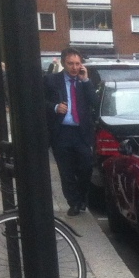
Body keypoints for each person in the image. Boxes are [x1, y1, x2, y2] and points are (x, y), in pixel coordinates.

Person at [44, 47, 96, 216]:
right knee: (66, 172)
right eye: (70, 63)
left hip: (81, 133)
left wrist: (86, 80)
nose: (74, 67)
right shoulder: (51, 80)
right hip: (62, 133)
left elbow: (94, 102)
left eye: (77, 63)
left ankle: (81, 198)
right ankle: (73, 202)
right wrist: (54, 107)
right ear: (63, 63)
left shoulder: (84, 81)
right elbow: (38, 102)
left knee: (86, 167)